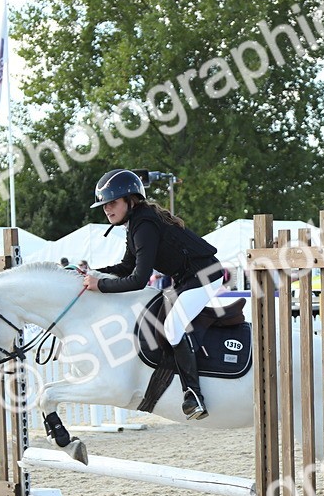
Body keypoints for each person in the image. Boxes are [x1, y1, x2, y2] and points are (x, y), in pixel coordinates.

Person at [83, 168, 222, 420]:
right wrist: (91, 273)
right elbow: (126, 267)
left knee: (173, 328)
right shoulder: (135, 223)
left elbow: (138, 280)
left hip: (205, 276)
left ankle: (194, 394)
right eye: (104, 205)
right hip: (186, 279)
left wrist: (100, 285)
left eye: (112, 202)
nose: (107, 209)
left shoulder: (144, 224)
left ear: (130, 200)